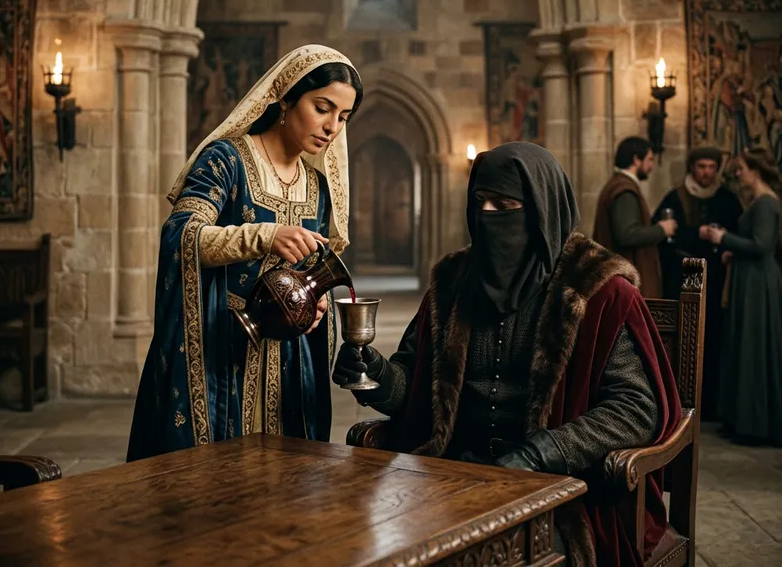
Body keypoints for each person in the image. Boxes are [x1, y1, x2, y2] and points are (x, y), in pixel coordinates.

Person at [335, 143, 682, 565]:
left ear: (540, 209)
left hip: (559, 489)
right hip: (452, 473)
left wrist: (541, 454)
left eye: (503, 205)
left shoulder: (598, 289)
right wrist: (375, 375)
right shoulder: (453, 283)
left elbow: (635, 407)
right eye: (480, 202)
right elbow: (417, 384)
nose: (487, 215)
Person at [127, 45, 363, 461]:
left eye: (343, 117)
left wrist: (316, 303)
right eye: (322, 108)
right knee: (218, 478)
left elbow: (312, 266)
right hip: (222, 349)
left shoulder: (318, 186)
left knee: (289, 480)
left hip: (289, 365)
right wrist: (264, 235)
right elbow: (181, 234)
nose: (332, 127)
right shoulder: (227, 160)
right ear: (286, 98)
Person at [652, 146, 743, 420]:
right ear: (693, 167)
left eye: (712, 167)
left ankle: (712, 405)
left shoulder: (727, 199)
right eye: (702, 166)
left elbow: (740, 234)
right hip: (683, 280)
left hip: (717, 282)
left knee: (715, 340)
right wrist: (696, 233)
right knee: (685, 341)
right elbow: (662, 237)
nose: (707, 173)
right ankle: (682, 404)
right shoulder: (676, 197)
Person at [701, 147, 782, 446]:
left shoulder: (766, 203)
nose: (737, 174)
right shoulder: (759, 202)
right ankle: (742, 420)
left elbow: (762, 245)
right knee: (744, 345)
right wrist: (733, 251)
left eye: (741, 169)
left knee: (754, 347)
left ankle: (757, 424)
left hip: (758, 283)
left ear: (756, 171)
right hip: (749, 278)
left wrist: (724, 238)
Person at [593, 136, 676, 298]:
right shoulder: (624, 190)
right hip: (625, 282)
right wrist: (662, 229)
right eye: (650, 159)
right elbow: (627, 234)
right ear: (637, 159)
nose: (652, 166)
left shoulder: (620, 185)